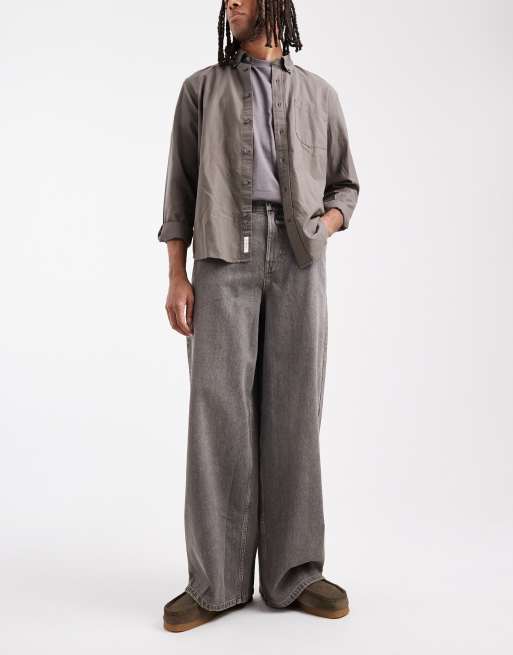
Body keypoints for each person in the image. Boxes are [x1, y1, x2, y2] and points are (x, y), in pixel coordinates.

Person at [158, 0, 359, 632]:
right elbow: (178, 192)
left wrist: (325, 225)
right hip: (222, 254)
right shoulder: (200, 90)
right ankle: (215, 582)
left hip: (299, 258)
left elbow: (345, 185)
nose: (231, 3)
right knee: (217, 414)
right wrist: (177, 275)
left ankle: (294, 573)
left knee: (296, 409)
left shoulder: (320, 94)